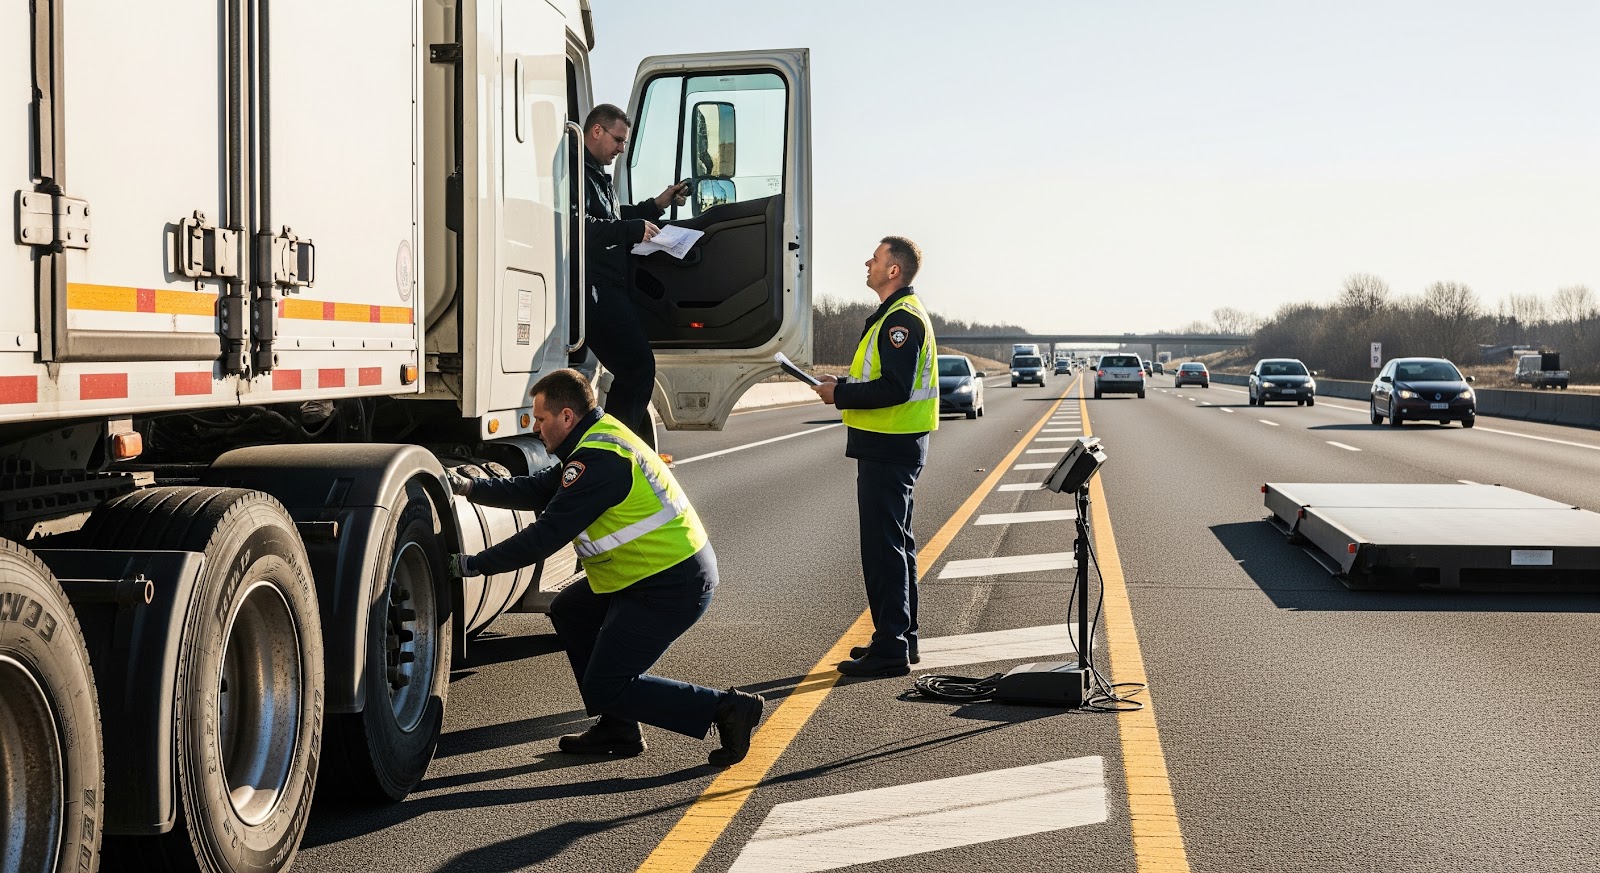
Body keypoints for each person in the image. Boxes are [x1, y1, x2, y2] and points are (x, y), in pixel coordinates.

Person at [446, 368, 763, 763]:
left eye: (541, 419)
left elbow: (543, 537)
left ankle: (727, 709)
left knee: (606, 686)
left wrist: (473, 564)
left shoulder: (598, 460)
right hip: (646, 572)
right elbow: (537, 487)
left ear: (566, 416)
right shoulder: (593, 439)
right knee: (570, 608)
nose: (536, 428)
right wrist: (469, 486)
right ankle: (619, 729)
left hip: (670, 581)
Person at [810, 237, 937, 678]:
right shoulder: (896, 315)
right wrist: (839, 381)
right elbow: (884, 377)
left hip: (890, 444)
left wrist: (839, 393)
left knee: (885, 549)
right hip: (896, 444)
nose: (868, 262)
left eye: (876, 258)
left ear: (893, 271)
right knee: (897, 544)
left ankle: (891, 649)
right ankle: (901, 637)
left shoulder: (900, 320)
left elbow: (895, 389)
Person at [580, 103, 691, 444]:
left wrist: (657, 204)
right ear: (596, 131)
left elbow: (614, 216)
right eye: (618, 140)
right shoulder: (575, 171)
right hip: (594, 289)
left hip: (612, 286)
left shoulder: (597, 173)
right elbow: (576, 226)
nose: (621, 148)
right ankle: (611, 448)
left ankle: (609, 445)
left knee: (636, 367)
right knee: (638, 367)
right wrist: (630, 230)